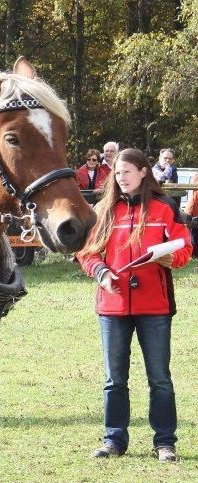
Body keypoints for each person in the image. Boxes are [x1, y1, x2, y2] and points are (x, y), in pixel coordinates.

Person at [76, 148, 192, 463]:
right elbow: (87, 253)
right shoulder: (103, 210)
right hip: (112, 307)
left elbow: (184, 247)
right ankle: (113, 440)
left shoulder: (165, 207)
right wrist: (100, 273)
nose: (121, 178)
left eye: (127, 172)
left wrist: (172, 257)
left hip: (154, 306)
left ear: (143, 172)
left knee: (159, 378)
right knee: (115, 378)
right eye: (117, 173)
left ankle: (165, 443)